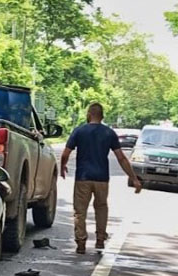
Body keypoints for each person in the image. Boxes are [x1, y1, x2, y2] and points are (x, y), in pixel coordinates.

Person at [60, 103, 142, 254]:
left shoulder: (79, 131)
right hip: (102, 179)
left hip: (83, 178)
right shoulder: (109, 133)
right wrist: (134, 178)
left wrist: (63, 166)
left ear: (89, 114)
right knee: (101, 208)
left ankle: (81, 242)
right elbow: (121, 158)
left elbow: (65, 153)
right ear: (102, 116)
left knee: (80, 211)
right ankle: (100, 240)